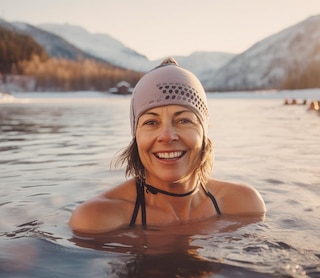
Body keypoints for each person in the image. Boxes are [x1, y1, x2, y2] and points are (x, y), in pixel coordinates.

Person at [69, 58, 266, 234]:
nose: (167, 136)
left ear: (204, 132)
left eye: (183, 121)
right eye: (151, 123)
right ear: (135, 136)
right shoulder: (97, 218)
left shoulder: (243, 204)